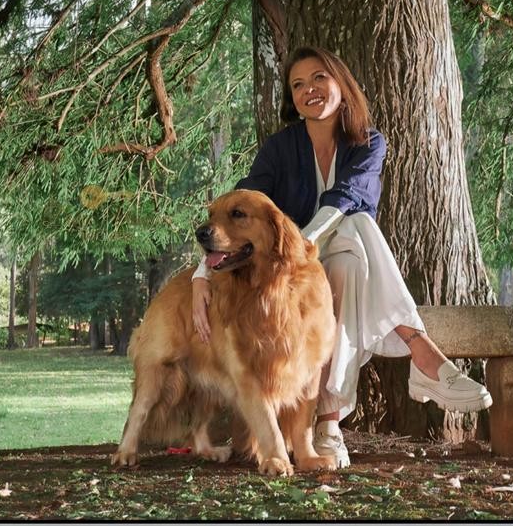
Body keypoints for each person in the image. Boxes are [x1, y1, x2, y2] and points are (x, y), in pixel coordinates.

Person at [191, 45, 492, 468]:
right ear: (291, 98)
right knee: (354, 244)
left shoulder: (368, 143)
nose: (308, 90)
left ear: (341, 84)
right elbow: (240, 207)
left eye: (318, 78)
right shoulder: (280, 149)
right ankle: (419, 352)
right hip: (294, 282)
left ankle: (329, 423)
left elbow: (348, 197)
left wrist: (304, 245)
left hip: (339, 264)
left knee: (356, 230)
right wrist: (200, 275)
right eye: (297, 84)